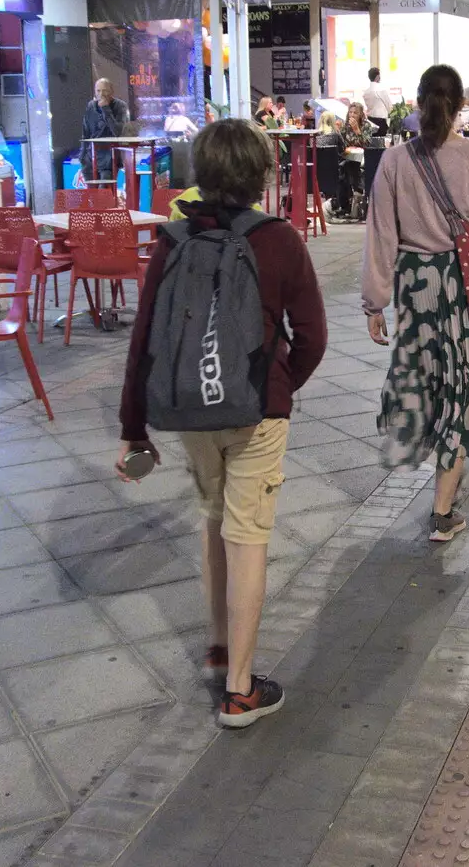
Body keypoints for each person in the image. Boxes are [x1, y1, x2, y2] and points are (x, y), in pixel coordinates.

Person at [118, 119, 326, 728]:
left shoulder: (172, 240)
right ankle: (240, 688)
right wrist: (280, 384)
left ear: (200, 174)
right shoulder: (280, 240)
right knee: (249, 534)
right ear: (262, 176)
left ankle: (218, 643)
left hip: (192, 410)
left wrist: (135, 429)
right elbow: (311, 337)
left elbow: (144, 342)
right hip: (257, 410)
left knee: (214, 519)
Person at [365, 65, 469, 542]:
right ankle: (441, 510)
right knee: (461, 387)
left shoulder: (394, 162)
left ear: (417, 102)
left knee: (426, 382)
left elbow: (380, 237)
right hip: (463, 285)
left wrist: (375, 304)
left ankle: (423, 461)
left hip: (415, 288)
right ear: (459, 108)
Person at [81, 78, 130, 184]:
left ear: (111, 92)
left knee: (105, 192)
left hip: (109, 158)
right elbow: (86, 131)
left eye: (105, 90)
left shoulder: (120, 106)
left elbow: (117, 131)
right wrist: (82, 156)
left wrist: (106, 109)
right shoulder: (91, 106)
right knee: (92, 194)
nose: (101, 94)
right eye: (98, 91)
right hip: (91, 157)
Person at [361, 67, 392, 133]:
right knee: (381, 141)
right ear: (377, 76)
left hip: (370, 120)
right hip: (381, 120)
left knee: (372, 140)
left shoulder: (366, 92)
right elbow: (389, 105)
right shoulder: (381, 90)